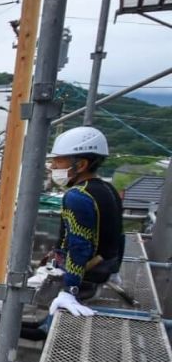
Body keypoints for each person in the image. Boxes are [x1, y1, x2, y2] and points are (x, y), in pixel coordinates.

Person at [44, 126, 123, 316]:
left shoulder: (77, 196)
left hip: (83, 284)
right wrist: (113, 269)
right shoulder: (107, 189)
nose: (53, 166)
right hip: (101, 274)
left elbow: (79, 247)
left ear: (80, 165)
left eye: (59, 161)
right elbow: (119, 236)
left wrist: (69, 291)